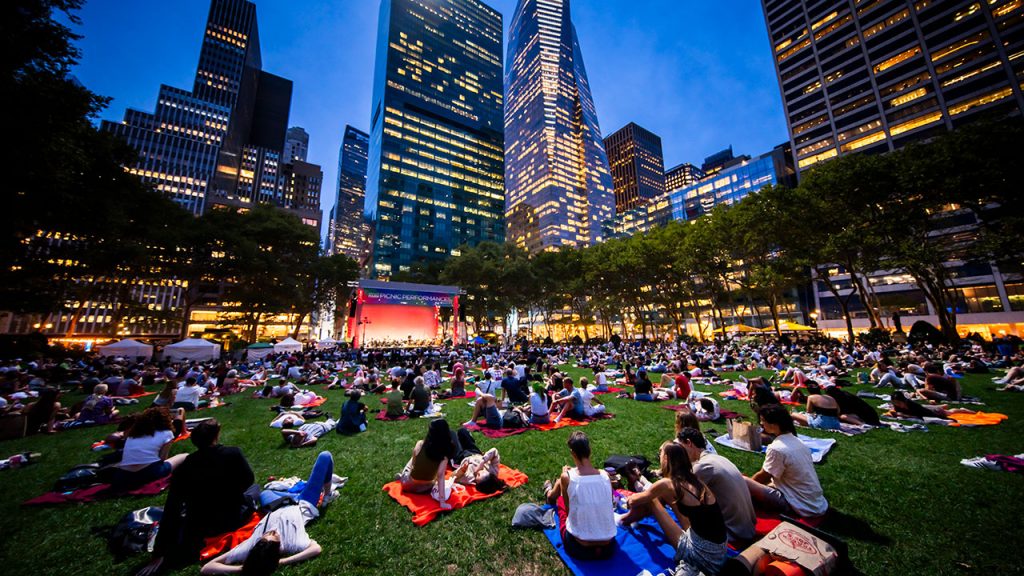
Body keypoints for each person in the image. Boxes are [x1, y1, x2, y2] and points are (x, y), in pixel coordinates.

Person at [138, 419, 255, 575]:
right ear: (216, 436)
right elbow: (248, 481)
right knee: (254, 490)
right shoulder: (233, 453)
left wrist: (160, 552)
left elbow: (172, 508)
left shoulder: (185, 466)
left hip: (201, 525)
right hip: (232, 517)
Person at [201, 451, 335, 575]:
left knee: (264, 492)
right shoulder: (294, 543)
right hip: (303, 503)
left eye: (263, 539)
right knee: (325, 456)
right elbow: (316, 549)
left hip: (274, 505)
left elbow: (207, 567)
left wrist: (244, 567)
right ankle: (327, 495)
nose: (270, 532)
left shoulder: (248, 548)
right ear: (278, 549)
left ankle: (292, 491)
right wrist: (282, 562)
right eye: (274, 536)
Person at [621, 442, 728, 576]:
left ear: (666, 458)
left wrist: (631, 494)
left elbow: (636, 499)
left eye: (660, 453)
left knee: (651, 499)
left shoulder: (668, 484)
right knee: (661, 495)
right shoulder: (694, 480)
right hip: (719, 553)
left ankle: (623, 521)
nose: (658, 456)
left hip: (702, 557)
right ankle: (629, 518)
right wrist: (641, 479)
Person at [744, 405, 828, 518]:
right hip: (815, 502)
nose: (761, 423)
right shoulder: (797, 441)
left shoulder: (777, 448)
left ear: (774, 424)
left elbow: (764, 476)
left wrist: (746, 486)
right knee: (764, 484)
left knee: (743, 481)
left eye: (763, 420)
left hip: (798, 505)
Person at [676, 428, 756, 546]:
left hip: (733, 533)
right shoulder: (718, 458)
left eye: (680, 448)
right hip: (748, 527)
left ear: (689, 443)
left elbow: (678, 493)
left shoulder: (702, 466)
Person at [543, 431, 616, 560]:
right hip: (608, 547)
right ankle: (549, 493)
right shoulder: (605, 476)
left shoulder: (568, 477)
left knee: (561, 504)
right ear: (590, 450)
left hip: (579, 548)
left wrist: (565, 474)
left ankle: (549, 494)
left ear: (572, 453)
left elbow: (568, 510)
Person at [111, 407, 188, 492]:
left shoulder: (133, 434)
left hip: (123, 475)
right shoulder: (167, 433)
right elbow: (162, 459)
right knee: (184, 456)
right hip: (149, 473)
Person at [397, 419, 457, 510]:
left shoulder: (420, 444)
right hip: (427, 488)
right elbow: (440, 476)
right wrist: (442, 502)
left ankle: (402, 475)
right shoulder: (444, 454)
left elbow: (414, 464)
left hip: (407, 485)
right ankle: (403, 475)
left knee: (412, 461)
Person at [448, 427, 505, 494]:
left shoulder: (470, 478)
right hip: (475, 453)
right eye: (482, 473)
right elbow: (494, 451)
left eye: (477, 476)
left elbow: (453, 477)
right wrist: (483, 461)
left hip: (460, 458)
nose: (478, 472)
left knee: (451, 434)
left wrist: (462, 470)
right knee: (462, 431)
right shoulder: (493, 471)